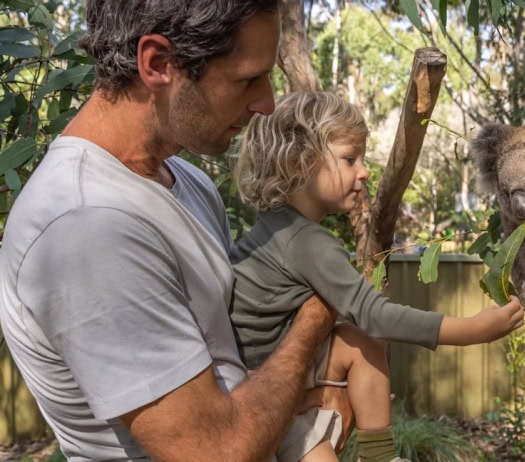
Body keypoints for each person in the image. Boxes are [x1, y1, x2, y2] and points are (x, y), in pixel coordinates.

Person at [0, 1, 350, 460]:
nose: (266, 102)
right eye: (248, 78)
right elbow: (215, 451)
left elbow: (232, 354)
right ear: (158, 64)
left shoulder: (187, 182)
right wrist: (316, 316)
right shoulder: (86, 224)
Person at [230, 92, 525, 462]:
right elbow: (376, 314)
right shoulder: (307, 242)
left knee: (360, 341)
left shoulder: (273, 228)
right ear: (298, 162)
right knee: (367, 334)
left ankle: (380, 456)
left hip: (270, 374)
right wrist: (472, 331)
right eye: (349, 159)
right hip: (266, 389)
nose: (364, 171)